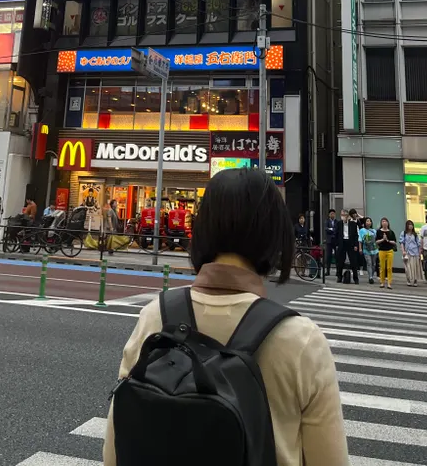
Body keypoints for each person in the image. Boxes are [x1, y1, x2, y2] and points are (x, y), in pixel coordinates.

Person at [103, 168, 349, 466]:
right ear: (274, 234)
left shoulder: (155, 316)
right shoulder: (300, 339)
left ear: (203, 227)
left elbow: (116, 448)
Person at [334, 209, 360, 284]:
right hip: (342, 243)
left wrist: (356, 245)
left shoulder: (353, 224)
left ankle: (356, 278)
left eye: (344, 215)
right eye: (342, 215)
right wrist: (337, 244)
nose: (343, 217)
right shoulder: (339, 223)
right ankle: (339, 276)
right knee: (340, 261)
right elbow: (336, 234)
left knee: (353, 261)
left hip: (350, 243)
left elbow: (356, 235)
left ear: (348, 216)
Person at [375, 218, 397, 289]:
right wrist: (383, 239)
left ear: (388, 223)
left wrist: (387, 240)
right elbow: (376, 242)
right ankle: (382, 282)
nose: (384, 223)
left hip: (389, 250)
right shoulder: (378, 232)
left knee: (389, 267)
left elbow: (394, 242)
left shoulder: (391, 232)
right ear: (381, 223)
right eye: (383, 222)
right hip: (382, 250)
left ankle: (389, 283)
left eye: (385, 221)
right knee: (382, 267)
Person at [400, 220, 421, 286]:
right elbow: (401, 243)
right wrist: (403, 251)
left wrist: (420, 253)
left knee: (414, 267)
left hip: (415, 253)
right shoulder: (403, 233)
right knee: (407, 268)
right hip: (407, 252)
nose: (410, 226)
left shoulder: (415, 234)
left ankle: (415, 280)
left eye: (411, 224)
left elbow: (418, 244)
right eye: (409, 224)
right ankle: (408, 279)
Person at [358, 217, 378, 284]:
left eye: (369, 221)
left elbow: (376, 240)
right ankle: (370, 277)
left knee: (373, 264)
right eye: (367, 221)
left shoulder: (374, 231)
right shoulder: (362, 230)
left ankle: (372, 275)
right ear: (364, 222)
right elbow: (360, 240)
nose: (368, 222)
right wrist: (360, 248)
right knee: (369, 263)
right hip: (366, 250)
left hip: (374, 249)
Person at [324, 209, 337, 276]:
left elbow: (336, 229)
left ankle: (338, 271)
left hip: (335, 240)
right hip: (329, 241)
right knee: (328, 256)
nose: (332, 215)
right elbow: (326, 229)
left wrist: (331, 229)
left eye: (333, 214)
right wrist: (332, 230)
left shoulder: (337, 221)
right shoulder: (327, 221)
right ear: (329, 215)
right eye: (331, 213)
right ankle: (327, 271)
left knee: (337, 256)